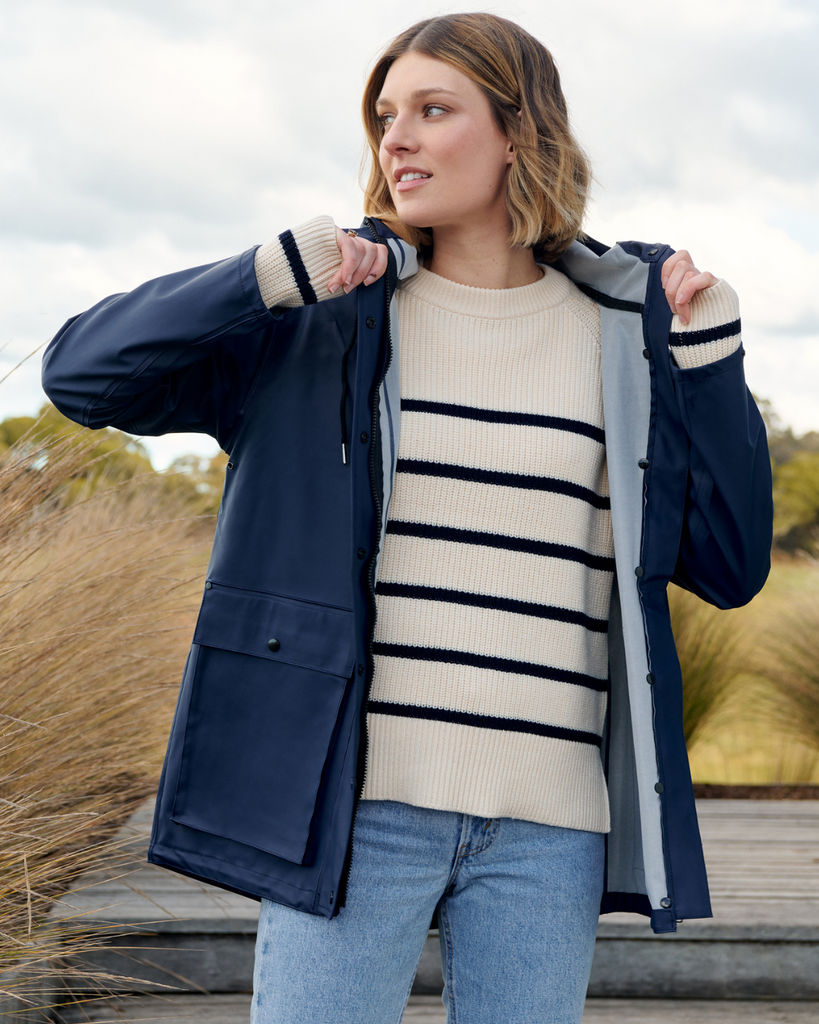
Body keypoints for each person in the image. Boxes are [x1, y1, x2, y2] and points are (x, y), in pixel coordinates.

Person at [42, 13, 773, 1024]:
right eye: (386, 115)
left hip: (549, 829)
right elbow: (83, 374)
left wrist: (711, 363)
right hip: (355, 813)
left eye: (435, 110)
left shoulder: (624, 333)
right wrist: (266, 271)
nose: (398, 139)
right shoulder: (322, 319)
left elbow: (731, 566)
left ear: (521, 133)